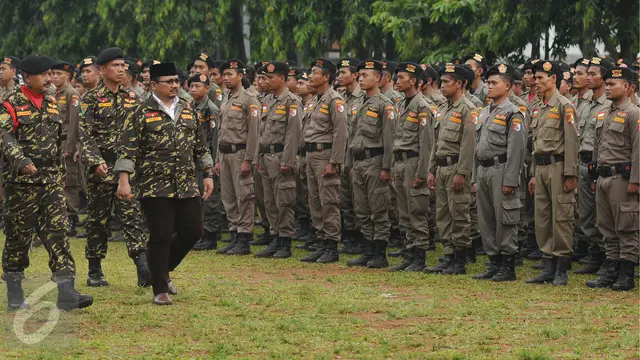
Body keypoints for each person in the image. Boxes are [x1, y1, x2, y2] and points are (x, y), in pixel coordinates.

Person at [115, 62, 214, 305]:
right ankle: (160, 289)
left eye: (176, 81)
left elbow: (200, 144)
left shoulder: (187, 109)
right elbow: (127, 149)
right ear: (153, 85)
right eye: (168, 82)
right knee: (160, 235)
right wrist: (123, 181)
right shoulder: (139, 112)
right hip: (154, 184)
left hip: (186, 182)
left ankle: (161, 271)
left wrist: (208, 172)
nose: (174, 86)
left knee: (194, 231)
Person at [1, 54, 93, 310]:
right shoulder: (10, 103)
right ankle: (15, 293)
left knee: (59, 233)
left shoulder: (52, 103)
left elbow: (58, 141)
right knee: (18, 238)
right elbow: (5, 137)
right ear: (28, 77)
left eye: (51, 74)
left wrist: (61, 173)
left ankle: (66, 292)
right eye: (44, 75)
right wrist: (22, 161)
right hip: (22, 184)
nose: (49, 79)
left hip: (51, 182)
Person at [78, 47, 149, 288]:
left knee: (132, 217)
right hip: (101, 167)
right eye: (116, 66)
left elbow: (140, 132)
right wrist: (95, 161)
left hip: (125, 168)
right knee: (99, 219)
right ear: (102, 70)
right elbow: (84, 134)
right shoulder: (90, 99)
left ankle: (142, 267)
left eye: (123, 66)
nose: (121, 70)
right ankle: (94, 268)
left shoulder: (132, 98)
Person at [526, 61, 579, 286]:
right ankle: (547, 263)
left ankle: (561, 266)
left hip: (558, 167)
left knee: (562, 217)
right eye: (535, 78)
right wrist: (531, 173)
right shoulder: (537, 106)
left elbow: (571, 142)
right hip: (540, 167)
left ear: (553, 79)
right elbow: (535, 143)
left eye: (540, 78)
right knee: (543, 217)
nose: (536, 82)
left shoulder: (564, 105)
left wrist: (570, 175)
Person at [586, 66, 639, 291]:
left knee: (626, 227)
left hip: (623, 178)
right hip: (604, 177)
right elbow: (598, 147)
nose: (607, 87)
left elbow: (638, 150)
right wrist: (595, 174)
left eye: (612, 84)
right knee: (606, 227)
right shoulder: (604, 113)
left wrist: (636, 181)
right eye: (606, 84)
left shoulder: (634, 113)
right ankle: (611, 269)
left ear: (628, 87)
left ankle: (626, 274)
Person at [472, 64, 526, 281]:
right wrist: (475, 177)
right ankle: (493, 261)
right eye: (488, 82)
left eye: (494, 83)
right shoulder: (485, 112)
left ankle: (507, 263)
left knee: (505, 217)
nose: (489, 86)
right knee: (485, 219)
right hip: (484, 169)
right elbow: (478, 147)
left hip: (501, 169)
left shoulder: (514, 113)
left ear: (508, 86)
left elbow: (517, 150)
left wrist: (511, 179)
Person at [344, 60, 395, 269]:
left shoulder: (385, 105)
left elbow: (391, 139)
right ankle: (367, 250)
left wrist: (386, 168)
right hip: (359, 162)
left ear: (378, 78)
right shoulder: (359, 104)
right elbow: (353, 136)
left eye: (366, 75)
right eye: (360, 75)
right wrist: (350, 164)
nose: (361, 79)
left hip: (376, 161)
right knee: (362, 209)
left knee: (379, 209)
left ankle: (380, 253)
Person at [426, 63, 477, 275]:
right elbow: (435, 143)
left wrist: (462, 173)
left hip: (457, 167)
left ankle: (460, 257)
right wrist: (431, 169)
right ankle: (448, 252)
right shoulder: (443, 109)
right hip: (442, 167)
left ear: (460, 84)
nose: (442, 86)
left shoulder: (468, 109)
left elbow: (468, 144)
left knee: (459, 213)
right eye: (442, 81)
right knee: (443, 214)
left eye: (447, 82)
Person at [300, 59, 348, 264]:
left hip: (325, 156)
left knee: (328, 201)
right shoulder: (314, 101)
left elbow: (341, 132)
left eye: (314, 72)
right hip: (311, 155)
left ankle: (331, 244)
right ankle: (320, 241)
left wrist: (334, 162)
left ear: (326, 77)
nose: (310, 76)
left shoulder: (334, 100)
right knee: (315, 201)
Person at [253, 61, 302, 259]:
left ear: (281, 78)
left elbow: (293, 134)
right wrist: (257, 156)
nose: (267, 80)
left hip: (281, 156)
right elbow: (261, 131)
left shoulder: (292, 101)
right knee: (269, 201)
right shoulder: (267, 100)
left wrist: (288, 161)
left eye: (271, 77)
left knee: (284, 200)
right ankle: (274, 236)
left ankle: (285, 240)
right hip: (266, 156)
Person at [388, 63, 433, 272]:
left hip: (414, 163)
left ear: (413, 81)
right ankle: (408, 253)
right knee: (404, 212)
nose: (397, 81)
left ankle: (419, 256)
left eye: (402, 77)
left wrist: (422, 173)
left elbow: (427, 143)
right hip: (399, 162)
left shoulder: (422, 106)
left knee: (416, 210)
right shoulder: (401, 104)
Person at [214, 60, 261, 255]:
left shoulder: (250, 99)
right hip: (224, 153)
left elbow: (254, 132)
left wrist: (249, 160)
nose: (225, 78)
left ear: (240, 76)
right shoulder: (226, 98)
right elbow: (221, 131)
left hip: (240, 153)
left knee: (244, 196)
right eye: (224, 74)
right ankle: (234, 234)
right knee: (229, 197)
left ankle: (244, 237)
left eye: (229, 74)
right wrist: (217, 159)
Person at [574, 57, 613, 274]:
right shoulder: (585, 103)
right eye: (586, 74)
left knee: (603, 215)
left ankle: (608, 257)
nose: (588, 78)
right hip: (582, 162)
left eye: (593, 74)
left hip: (600, 164)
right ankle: (594, 255)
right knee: (585, 213)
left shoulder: (610, 104)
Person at [188, 74, 222, 251]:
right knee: (198, 197)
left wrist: (214, 162)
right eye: (191, 86)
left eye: (197, 86)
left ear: (207, 88)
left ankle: (211, 235)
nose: (193, 89)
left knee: (210, 197)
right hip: (193, 159)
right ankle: (201, 233)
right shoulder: (190, 107)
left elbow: (214, 138)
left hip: (206, 158)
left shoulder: (211, 109)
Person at [336, 57, 364, 254]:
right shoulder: (339, 96)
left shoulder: (363, 97)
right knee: (343, 197)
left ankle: (362, 238)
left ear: (354, 75)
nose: (339, 76)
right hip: (341, 151)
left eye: (343, 72)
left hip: (357, 151)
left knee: (358, 199)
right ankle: (349, 236)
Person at [51, 61, 82, 237]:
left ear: (68, 76)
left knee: (69, 181)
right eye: (53, 73)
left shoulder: (72, 94)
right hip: (54, 143)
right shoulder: (52, 93)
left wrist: (70, 147)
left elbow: (74, 123)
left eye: (59, 74)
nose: (55, 77)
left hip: (66, 142)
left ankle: (71, 217)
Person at [294, 70, 316, 249]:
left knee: (320, 198)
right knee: (307, 197)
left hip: (319, 155)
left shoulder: (329, 101)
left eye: (303, 82)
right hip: (304, 155)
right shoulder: (309, 105)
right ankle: (311, 231)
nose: (302, 85)